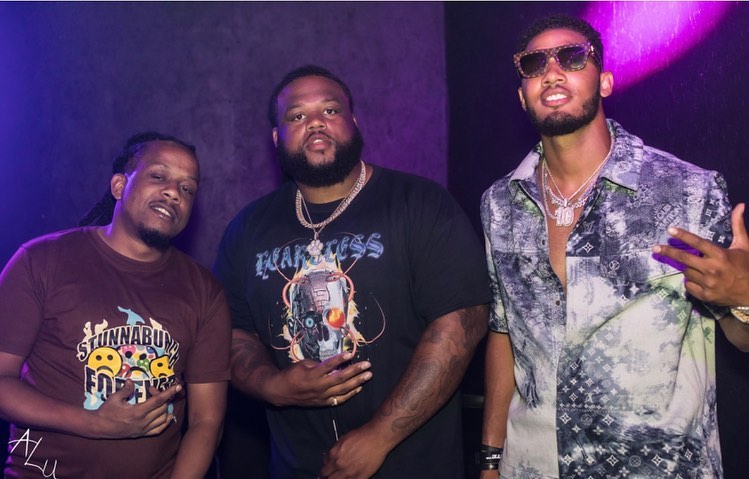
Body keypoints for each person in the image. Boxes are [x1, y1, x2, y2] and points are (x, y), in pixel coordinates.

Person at [479, 13, 749, 479]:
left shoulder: (688, 191)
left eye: (571, 57)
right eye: (534, 64)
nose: (552, 72)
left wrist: (743, 296)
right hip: (533, 467)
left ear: (604, 82)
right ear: (522, 94)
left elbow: (740, 339)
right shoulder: (500, 204)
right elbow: (504, 334)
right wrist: (490, 458)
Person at [213, 65, 490, 479]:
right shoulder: (247, 229)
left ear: (354, 121)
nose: (315, 123)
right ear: (276, 137)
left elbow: (462, 325)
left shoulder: (420, 204)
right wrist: (273, 386)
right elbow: (233, 334)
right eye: (297, 116)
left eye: (330, 110)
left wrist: (379, 437)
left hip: (412, 465)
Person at [0, 132, 231, 478]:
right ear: (119, 186)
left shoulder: (205, 291)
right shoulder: (40, 260)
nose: (174, 192)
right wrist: (94, 423)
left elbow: (206, 421)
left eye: (187, 189)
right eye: (159, 176)